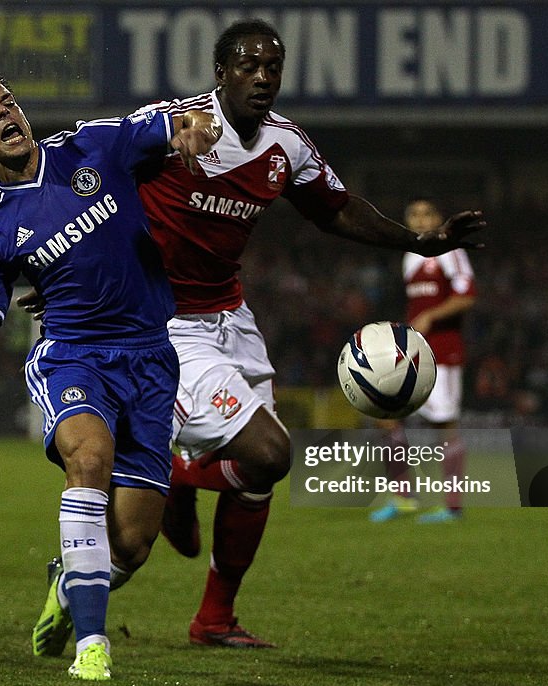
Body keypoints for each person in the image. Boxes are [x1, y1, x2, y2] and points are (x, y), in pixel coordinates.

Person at [131, 20, 485, 647]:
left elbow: (337, 208)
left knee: (258, 474)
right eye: (248, 65)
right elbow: (93, 172)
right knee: (272, 451)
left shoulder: (284, 146)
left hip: (231, 317)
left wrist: (420, 242)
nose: (263, 76)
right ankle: (179, 475)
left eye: (273, 66)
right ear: (220, 73)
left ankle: (213, 617)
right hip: (166, 323)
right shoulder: (174, 126)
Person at [0, 67, 220, 682]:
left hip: (154, 360)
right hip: (74, 358)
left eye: (8, 102)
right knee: (89, 459)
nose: (5, 115)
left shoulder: (91, 147)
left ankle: (68, 584)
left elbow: (181, 119)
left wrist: (193, 130)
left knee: (131, 544)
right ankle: (93, 648)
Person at [369, 198, 478, 524]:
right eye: (413, 214)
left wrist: (431, 314)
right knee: (386, 416)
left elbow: (466, 296)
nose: (419, 220)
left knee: (443, 426)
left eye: (427, 213)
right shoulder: (410, 257)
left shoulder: (451, 252)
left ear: (439, 218)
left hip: (443, 352)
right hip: (413, 351)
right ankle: (403, 497)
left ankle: (453, 506)